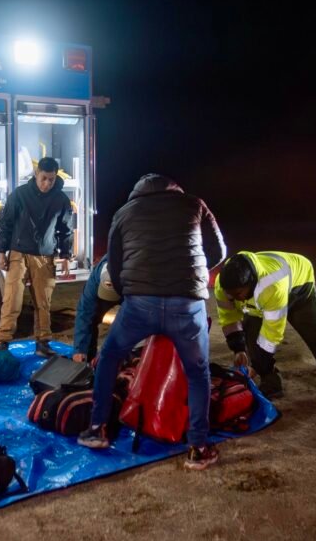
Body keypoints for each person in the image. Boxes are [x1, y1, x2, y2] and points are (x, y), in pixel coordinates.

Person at [77, 174, 226, 471]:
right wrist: (192, 274)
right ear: (174, 189)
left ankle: (96, 429)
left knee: (109, 357)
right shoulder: (194, 205)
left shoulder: (123, 213)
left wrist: (133, 291)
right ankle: (198, 447)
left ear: (137, 193)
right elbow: (219, 251)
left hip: (140, 306)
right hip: (187, 305)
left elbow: (114, 266)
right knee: (197, 372)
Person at [214, 251, 316, 399]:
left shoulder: (272, 285)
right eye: (230, 295)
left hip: (299, 288)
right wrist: (239, 349)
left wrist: (257, 367)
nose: (235, 298)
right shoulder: (224, 285)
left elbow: (272, 334)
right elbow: (229, 317)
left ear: (251, 282)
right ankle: (272, 385)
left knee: (315, 336)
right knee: (252, 337)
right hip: (263, 297)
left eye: (238, 294)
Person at [0, 157, 74, 357]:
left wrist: (65, 256)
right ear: (36, 174)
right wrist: (1, 251)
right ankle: (2, 342)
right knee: (11, 300)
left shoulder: (61, 200)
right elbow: (6, 224)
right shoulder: (19, 195)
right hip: (18, 254)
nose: (47, 183)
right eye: (44, 178)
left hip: (45, 257)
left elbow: (66, 230)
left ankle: (43, 343)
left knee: (43, 303)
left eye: (51, 179)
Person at [71, 255, 121, 363]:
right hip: (103, 289)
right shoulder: (94, 281)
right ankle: (88, 359)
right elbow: (84, 313)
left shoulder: (136, 278)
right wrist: (79, 349)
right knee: (91, 318)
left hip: (129, 290)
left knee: (126, 324)